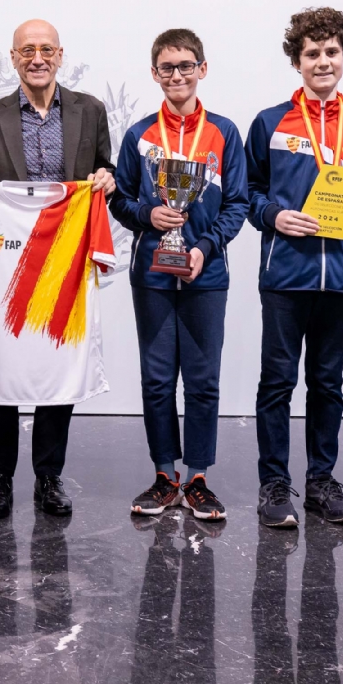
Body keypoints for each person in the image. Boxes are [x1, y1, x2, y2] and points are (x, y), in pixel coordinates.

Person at [0, 18, 115, 519]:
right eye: (27, 50)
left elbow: (104, 168)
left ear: (60, 54)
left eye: (46, 49)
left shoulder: (90, 111)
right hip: (9, 260)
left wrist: (105, 179)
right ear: (13, 58)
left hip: (65, 259)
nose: (37, 58)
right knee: (2, 360)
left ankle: (49, 477)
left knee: (56, 361)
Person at [245, 7, 343, 528]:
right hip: (285, 275)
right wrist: (276, 215)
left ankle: (321, 480)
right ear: (296, 61)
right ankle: (274, 484)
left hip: (341, 277)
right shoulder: (270, 122)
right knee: (277, 382)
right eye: (311, 53)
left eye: (331, 52)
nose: (322, 61)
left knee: (327, 383)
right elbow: (248, 194)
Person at [110, 28, 248, 521]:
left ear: (202, 70)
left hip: (205, 275)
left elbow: (238, 203)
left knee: (203, 380)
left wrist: (206, 248)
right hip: (152, 272)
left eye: (186, 65)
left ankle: (198, 477)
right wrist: (149, 217)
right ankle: (164, 475)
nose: (177, 75)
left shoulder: (225, 132)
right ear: (154, 74)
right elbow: (119, 199)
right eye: (167, 67)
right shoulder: (139, 135)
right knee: (157, 378)